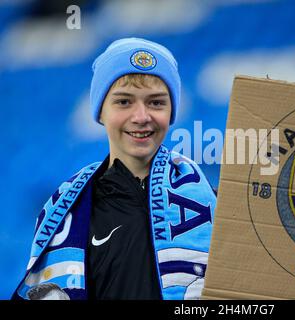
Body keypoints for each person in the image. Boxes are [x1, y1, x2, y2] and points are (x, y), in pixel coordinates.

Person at [11, 38, 216, 300]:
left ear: (171, 112)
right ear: (100, 112)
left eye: (156, 103)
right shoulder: (68, 215)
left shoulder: (213, 205)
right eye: (123, 102)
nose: (141, 117)